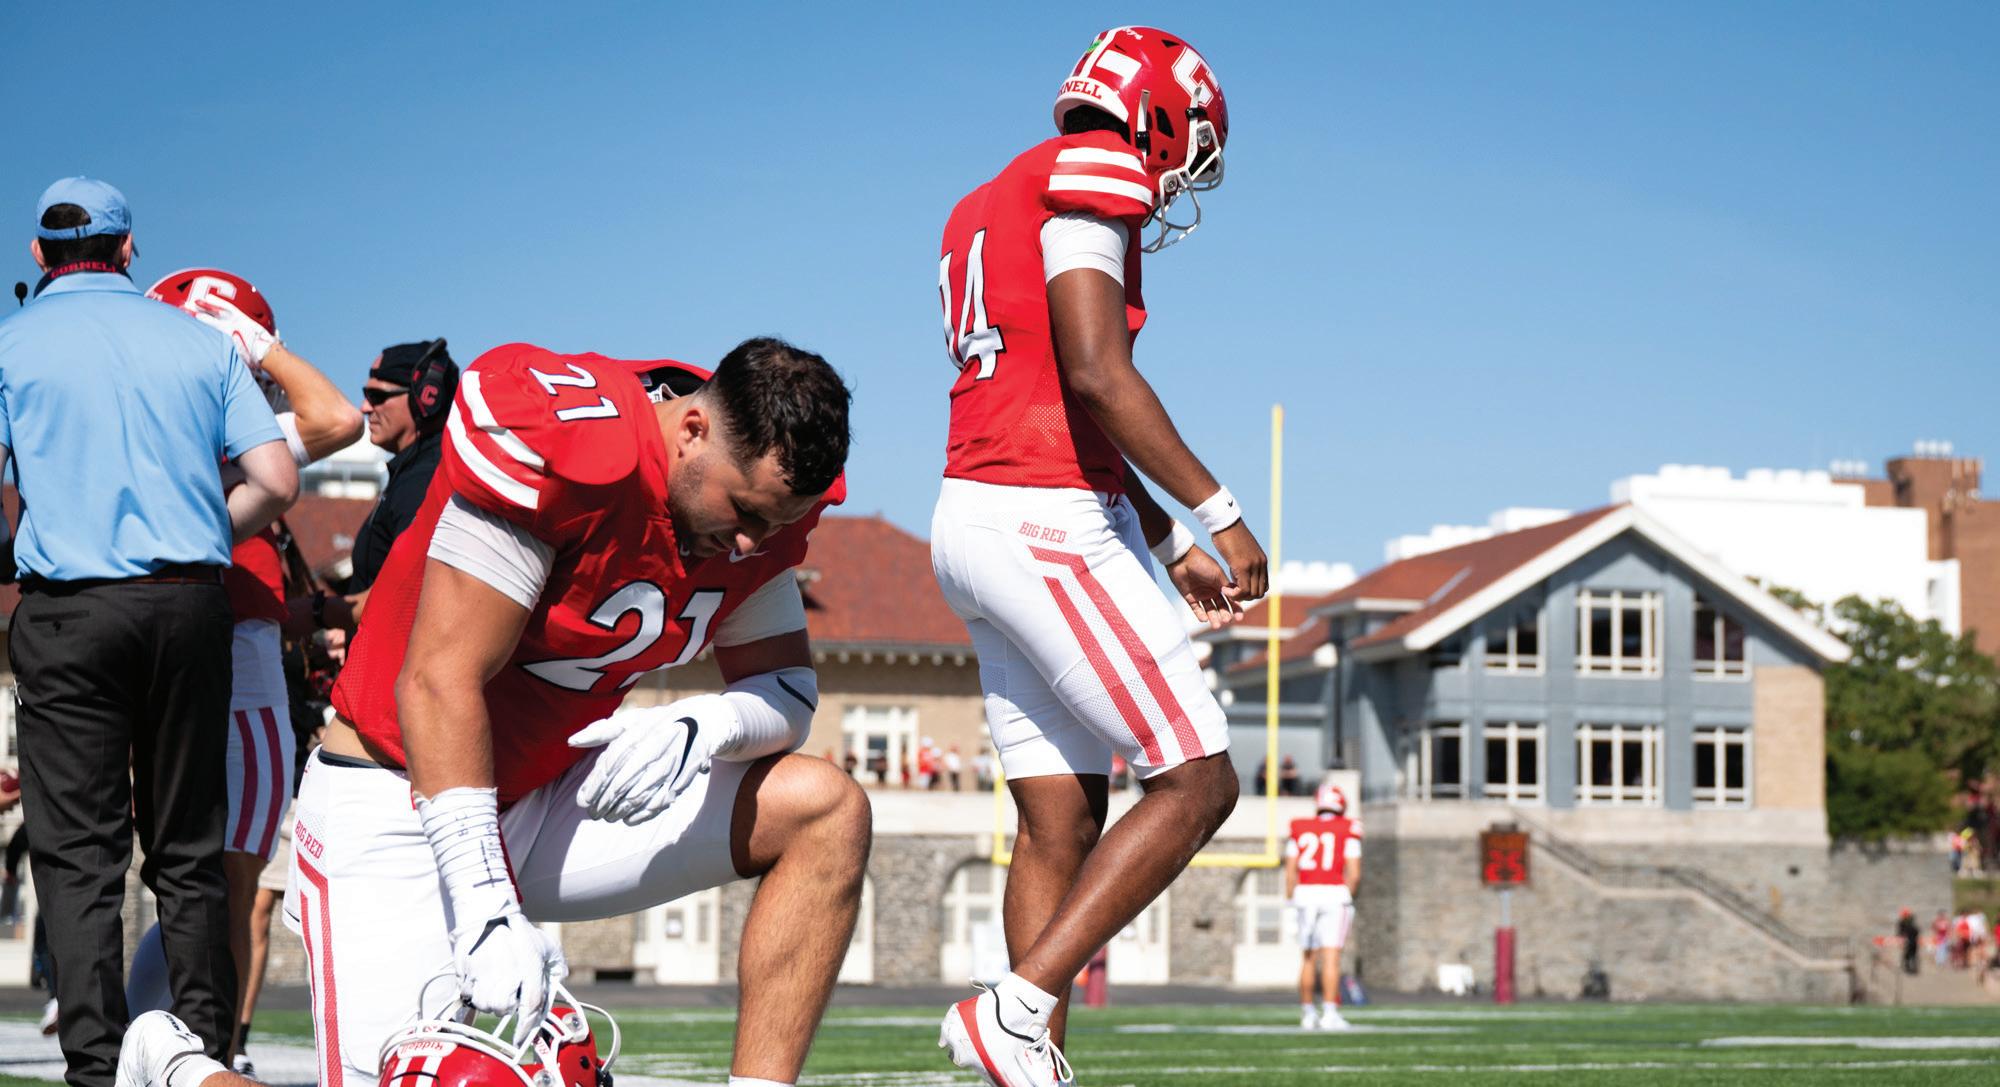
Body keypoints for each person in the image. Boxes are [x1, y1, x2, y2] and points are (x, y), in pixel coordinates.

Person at [289, 339, 869, 1087]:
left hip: (548, 790)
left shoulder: (757, 512)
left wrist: (712, 722)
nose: (753, 541)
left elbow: (787, 687)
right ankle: (176, 1065)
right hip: (398, 789)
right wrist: (487, 905)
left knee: (827, 810)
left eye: (776, 522)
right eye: (745, 511)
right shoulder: (569, 447)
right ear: (691, 430)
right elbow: (437, 680)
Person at [929, 28, 1263, 1085]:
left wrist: (1160, 538)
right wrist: (1218, 512)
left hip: (977, 509)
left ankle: (1028, 1059)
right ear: (1160, 116)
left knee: (1058, 821)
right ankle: (1016, 1010)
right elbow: (1094, 372)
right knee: (1199, 778)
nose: (1178, 177)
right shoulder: (1097, 165)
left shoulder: (985, 198)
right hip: (1044, 518)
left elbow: (1052, 385)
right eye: (1188, 148)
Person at [0, 178, 298, 1087]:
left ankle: (98, 1067)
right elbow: (277, 478)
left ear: (39, 255)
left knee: (78, 854)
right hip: (187, 602)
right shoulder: (198, 342)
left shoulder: (13, 343)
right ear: (129, 250)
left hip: (68, 608)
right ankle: (199, 1055)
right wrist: (203, 530)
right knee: (189, 849)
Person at [123, 269, 364, 1073]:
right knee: (222, 887)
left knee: (201, 886)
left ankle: (170, 1051)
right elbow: (335, 417)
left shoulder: (151, 441)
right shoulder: (215, 443)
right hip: (228, 669)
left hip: (180, 662)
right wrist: (254, 345)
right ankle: (207, 1059)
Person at [284, 338, 456, 637]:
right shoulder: (413, 472)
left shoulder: (424, 480)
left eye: (377, 396)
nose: (365, 407)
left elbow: (405, 595)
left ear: (427, 398)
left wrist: (319, 612)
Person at [1284, 784, 1361, 1030]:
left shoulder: (1299, 828)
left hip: (1304, 894)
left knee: (1307, 958)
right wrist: (1348, 894)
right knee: (1331, 957)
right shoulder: (1348, 828)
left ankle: (1308, 1014)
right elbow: (1354, 873)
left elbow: (1290, 871)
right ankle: (1329, 1013)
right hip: (1333, 894)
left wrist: (1290, 902)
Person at [1897, 907, 1921, 976]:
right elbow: (1900, 932)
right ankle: (1909, 968)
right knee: (1909, 955)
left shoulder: (1908, 924)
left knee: (1910, 955)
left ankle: (1910, 968)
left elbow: (1900, 932)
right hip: (1910, 941)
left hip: (1911, 942)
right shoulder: (1904, 923)